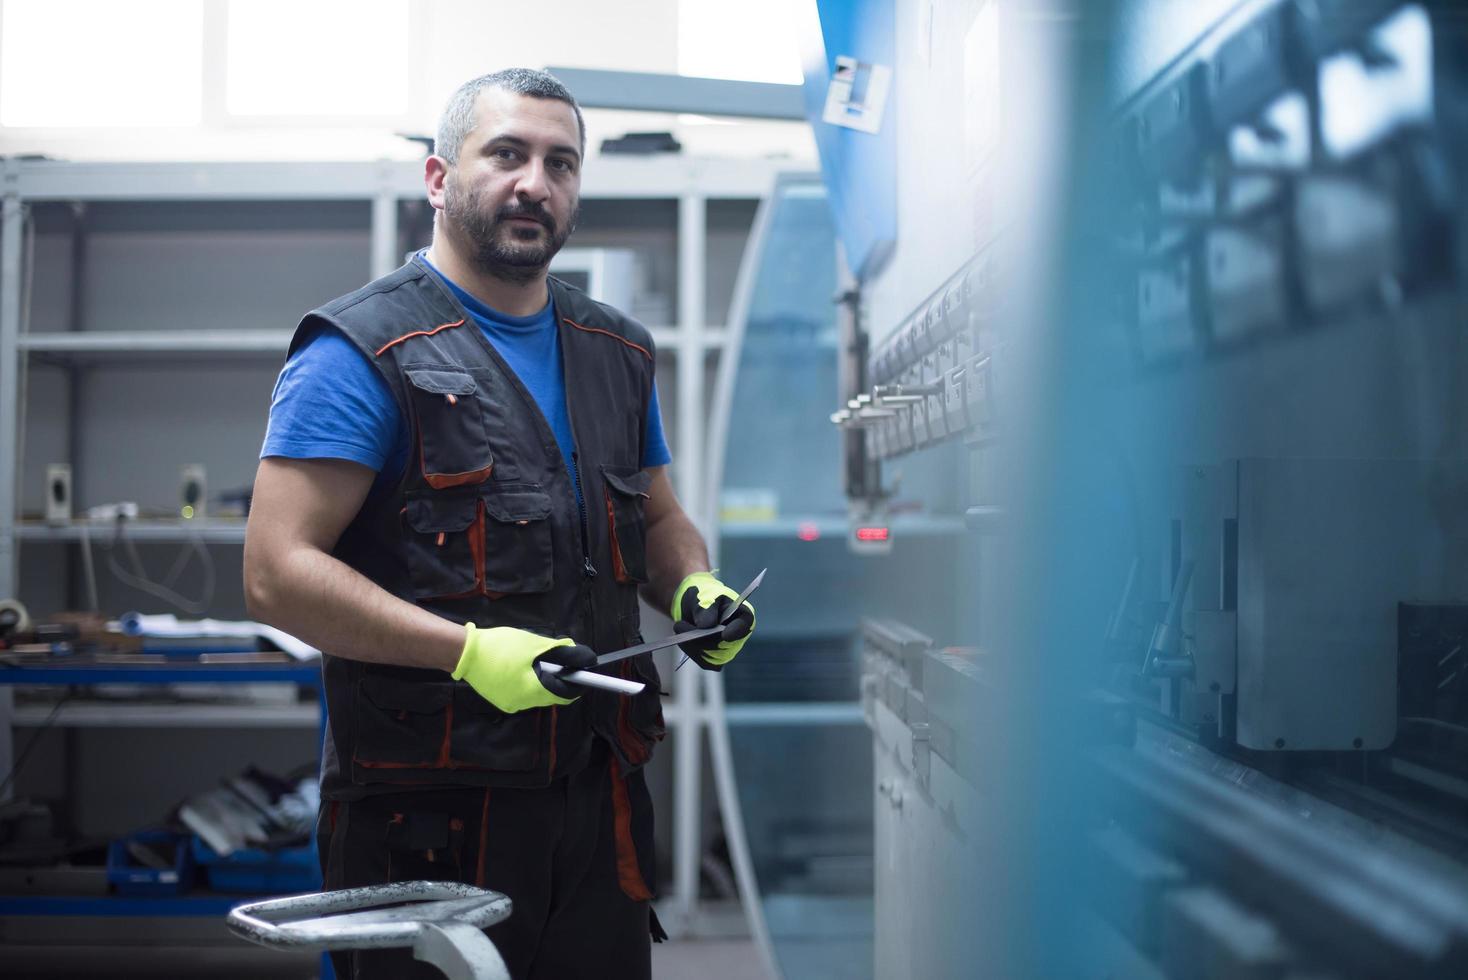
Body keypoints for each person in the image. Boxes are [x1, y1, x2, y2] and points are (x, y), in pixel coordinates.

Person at [242, 68, 755, 980]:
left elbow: (659, 516)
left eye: (562, 163)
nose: (536, 183)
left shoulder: (617, 352)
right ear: (438, 179)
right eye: (507, 154)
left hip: (599, 799)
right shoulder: (362, 351)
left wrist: (692, 588)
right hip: (428, 820)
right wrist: (467, 653)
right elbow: (277, 572)